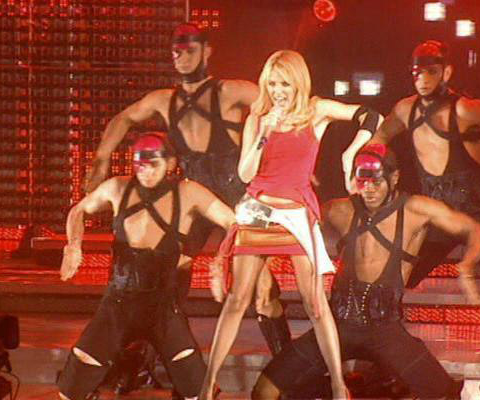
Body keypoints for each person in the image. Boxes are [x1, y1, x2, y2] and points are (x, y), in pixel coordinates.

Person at [84, 22, 297, 355]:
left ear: (206, 51)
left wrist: (288, 162)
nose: (181, 57)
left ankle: (287, 363)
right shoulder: (163, 100)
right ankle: (166, 356)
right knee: (169, 270)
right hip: (194, 195)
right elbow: (123, 118)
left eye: (189, 50)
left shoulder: (229, 91)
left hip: (237, 195)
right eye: (176, 52)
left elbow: (287, 103)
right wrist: (101, 158)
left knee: (262, 288)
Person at [199, 49, 382, 399]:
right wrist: (264, 132)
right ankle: (207, 386)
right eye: (272, 83)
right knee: (238, 300)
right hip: (259, 208)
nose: (278, 91)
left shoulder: (316, 111)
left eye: (284, 83)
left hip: (296, 213)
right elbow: (245, 174)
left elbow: (372, 116)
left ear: (298, 82)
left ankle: (338, 385)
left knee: (315, 304)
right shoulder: (258, 118)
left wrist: (350, 153)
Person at [250, 144, 480, 400]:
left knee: (445, 395)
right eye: (363, 182)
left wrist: (466, 268)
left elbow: (477, 231)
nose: (369, 190)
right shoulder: (340, 209)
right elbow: (289, 224)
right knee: (263, 392)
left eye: (376, 182)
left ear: (394, 178)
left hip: (385, 330)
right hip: (337, 326)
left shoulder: (417, 209)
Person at [367, 39, 480, 309]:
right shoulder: (405, 110)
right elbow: (378, 138)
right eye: (417, 73)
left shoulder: (465, 109)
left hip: (478, 215)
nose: (423, 79)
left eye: (431, 72)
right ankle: (373, 327)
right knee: (390, 276)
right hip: (438, 217)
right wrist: (365, 167)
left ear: (446, 73)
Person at [56, 133, 234, 400]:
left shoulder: (189, 193)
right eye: (140, 165)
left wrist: (220, 261)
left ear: (170, 163)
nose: (146, 172)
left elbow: (233, 222)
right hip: (118, 303)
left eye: (154, 165)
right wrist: (73, 245)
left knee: (198, 392)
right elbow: (78, 210)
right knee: (70, 389)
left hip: (162, 307)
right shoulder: (117, 188)